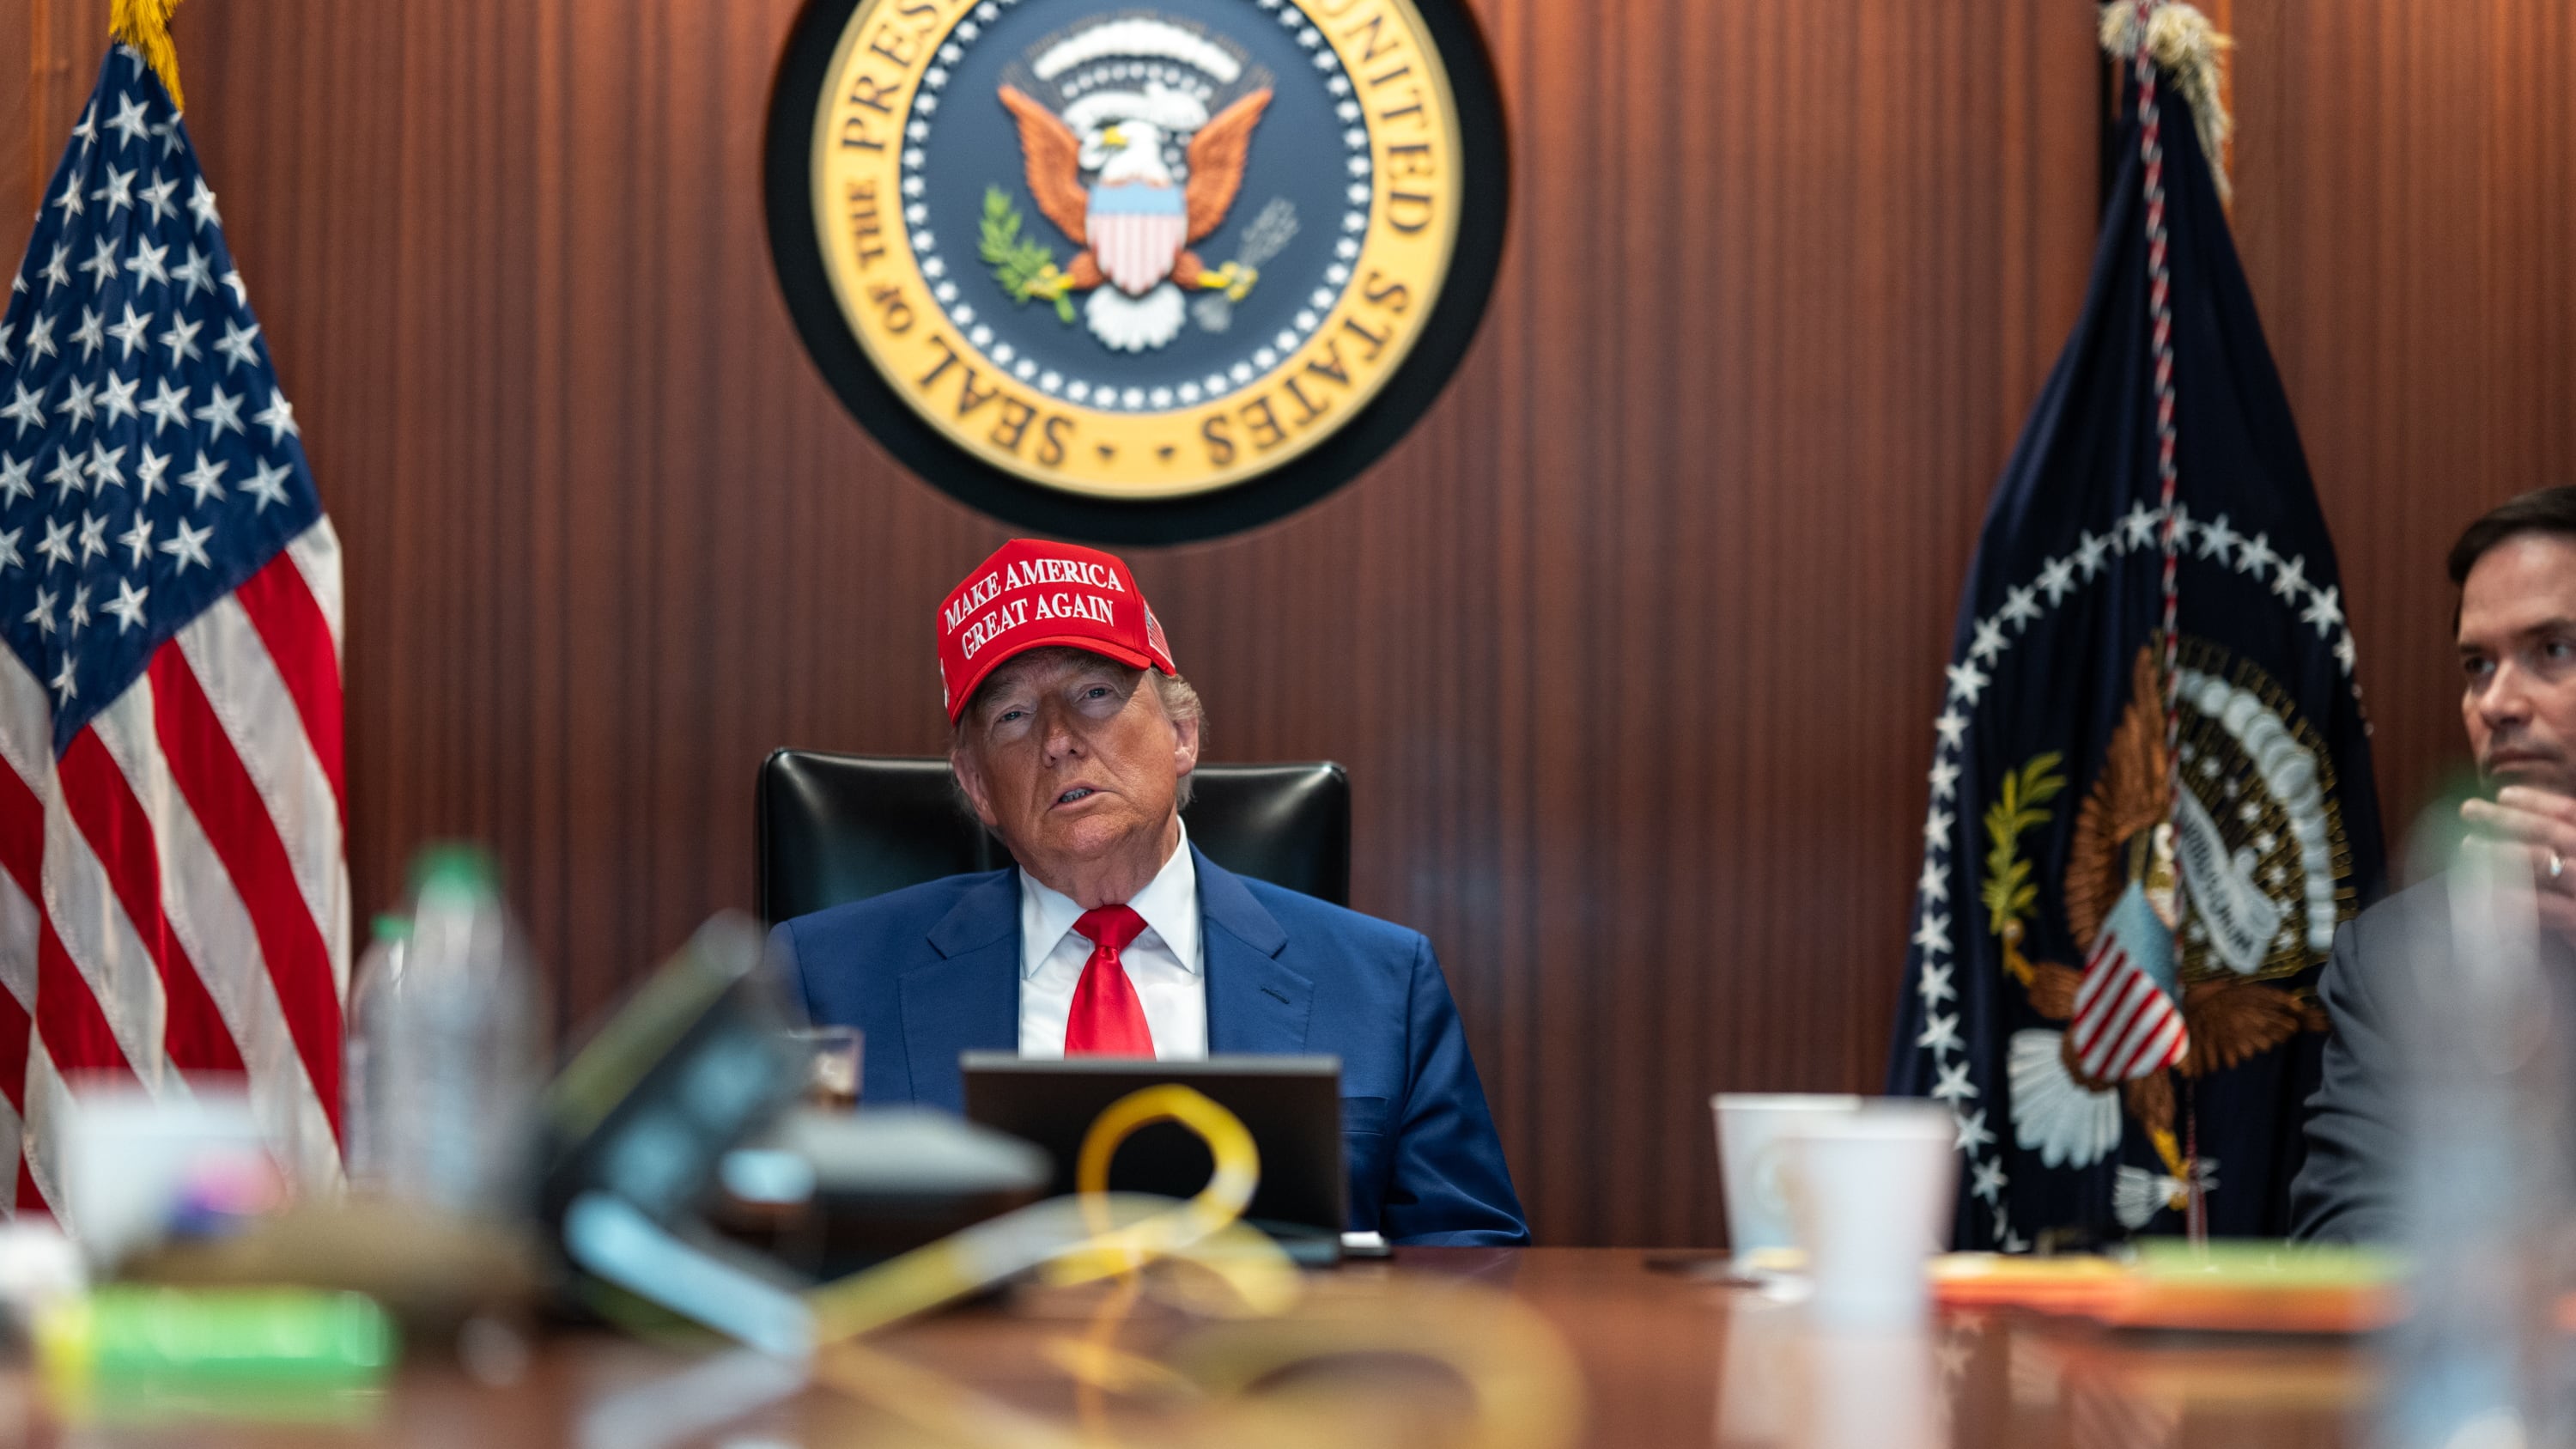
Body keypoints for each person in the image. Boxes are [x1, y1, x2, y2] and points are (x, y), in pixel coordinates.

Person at [766, 539, 1528, 1245]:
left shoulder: (1384, 984)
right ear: (976, 787)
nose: (1059, 738)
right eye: (1013, 714)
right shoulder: (825, 978)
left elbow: (1474, 1263)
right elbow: (753, 1252)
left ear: (1182, 734)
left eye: (1096, 691)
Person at [2293, 486, 2576, 1242]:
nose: (2497, 702)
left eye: (2553, 649)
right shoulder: (2393, 954)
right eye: (2478, 666)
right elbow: (2343, 1240)